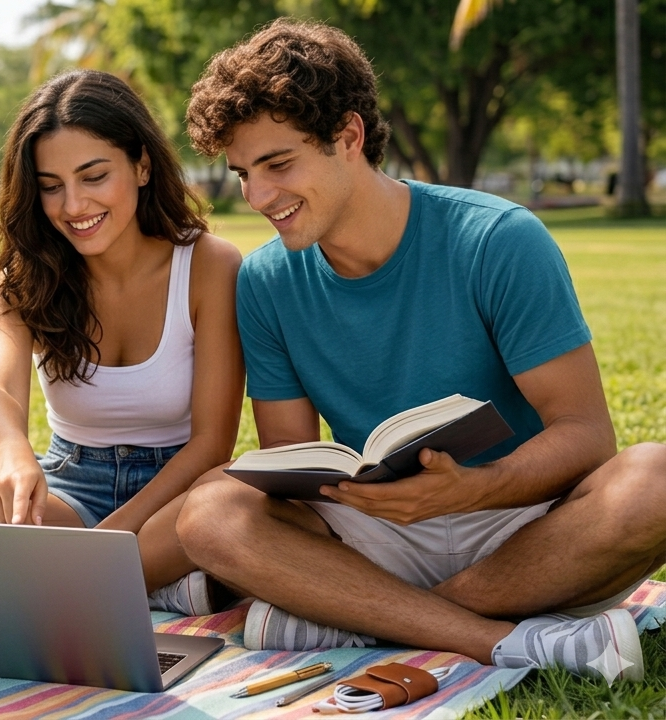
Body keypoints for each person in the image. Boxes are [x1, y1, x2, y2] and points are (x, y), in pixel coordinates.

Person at [175, 18, 666, 680]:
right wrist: (339, 492)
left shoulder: (498, 239)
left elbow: (585, 435)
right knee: (210, 511)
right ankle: (499, 638)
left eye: (278, 164)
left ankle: (373, 618)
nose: (258, 197)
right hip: (375, 531)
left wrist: (473, 489)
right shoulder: (264, 281)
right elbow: (292, 467)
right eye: (242, 173)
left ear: (349, 136)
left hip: (523, 522)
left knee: (656, 479)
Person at [0, 69, 244, 615]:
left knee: (233, 503)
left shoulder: (209, 265)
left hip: (179, 490)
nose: (73, 205)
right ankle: (155, 584)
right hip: (72, 484)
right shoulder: (21, 280)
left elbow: (212, 444)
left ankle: (103, 579)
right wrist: (11, 453)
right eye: (51, 186)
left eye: (94, 176)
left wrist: (110, 540)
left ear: (142, 166)